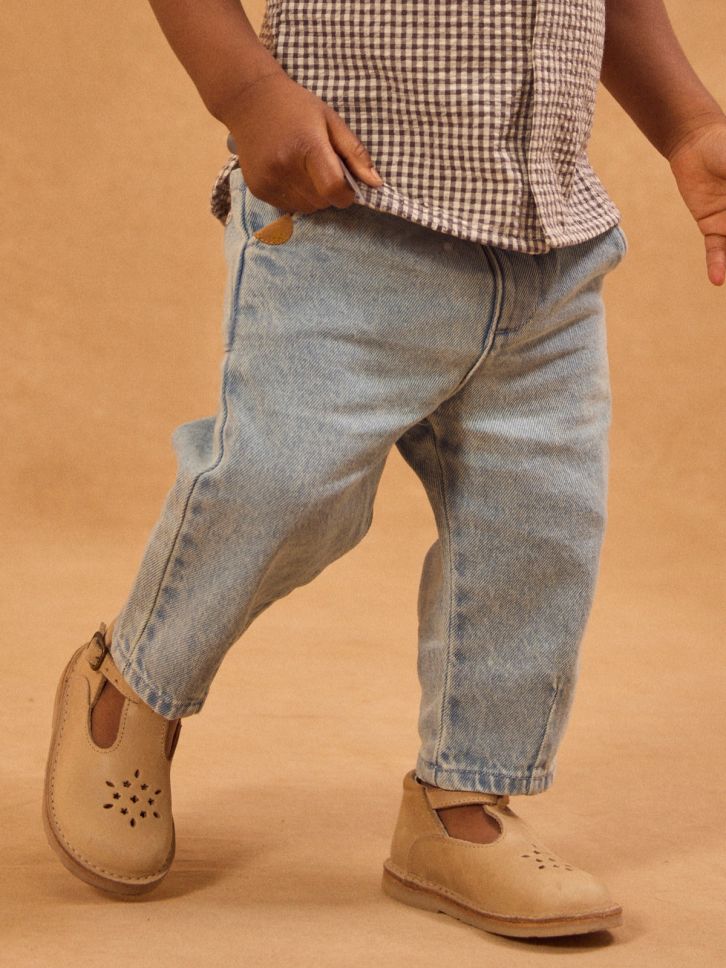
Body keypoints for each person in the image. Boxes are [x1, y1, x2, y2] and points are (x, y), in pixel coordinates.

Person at [42, 0, 725, 938]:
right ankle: (130, 685)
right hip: (351, 213)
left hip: (549, 246)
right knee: (284, 486)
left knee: (539, 531)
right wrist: (246, 90)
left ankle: (460, 804)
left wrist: (688, 122)